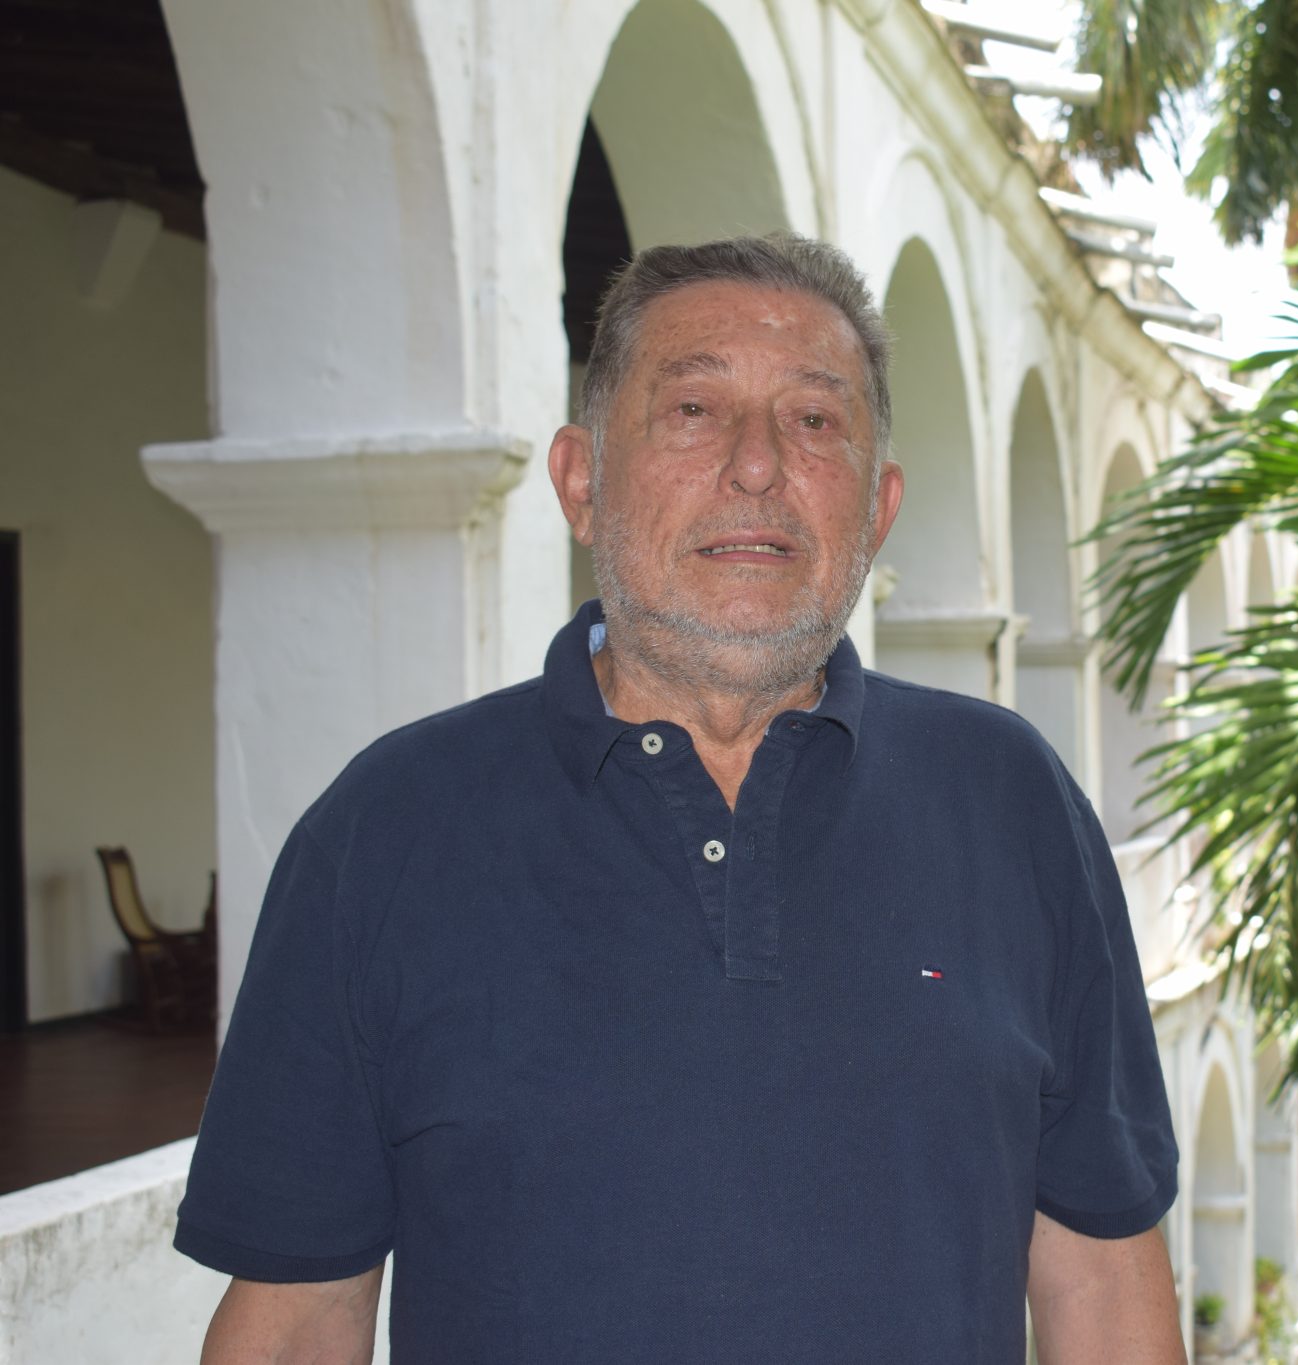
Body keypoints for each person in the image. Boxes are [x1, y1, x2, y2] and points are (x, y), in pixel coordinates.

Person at [175, 234, 1185, 1363]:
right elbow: (300, 1313)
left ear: (878, 508)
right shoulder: (388, 829)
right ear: (581, 482)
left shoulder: (1012, 803)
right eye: (694, 410)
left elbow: (1102, 1279)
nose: (757, 466)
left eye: (815, 420)